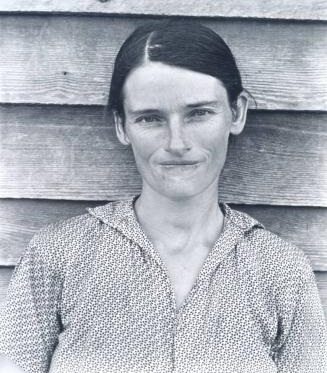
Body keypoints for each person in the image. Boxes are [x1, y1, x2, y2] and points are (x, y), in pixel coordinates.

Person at [0, 20, 326, 373]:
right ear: (122, 126)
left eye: (199, 113)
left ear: (237, 112)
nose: (177, 143)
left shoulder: (280, 270)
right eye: (150, 119)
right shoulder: (59, 256)